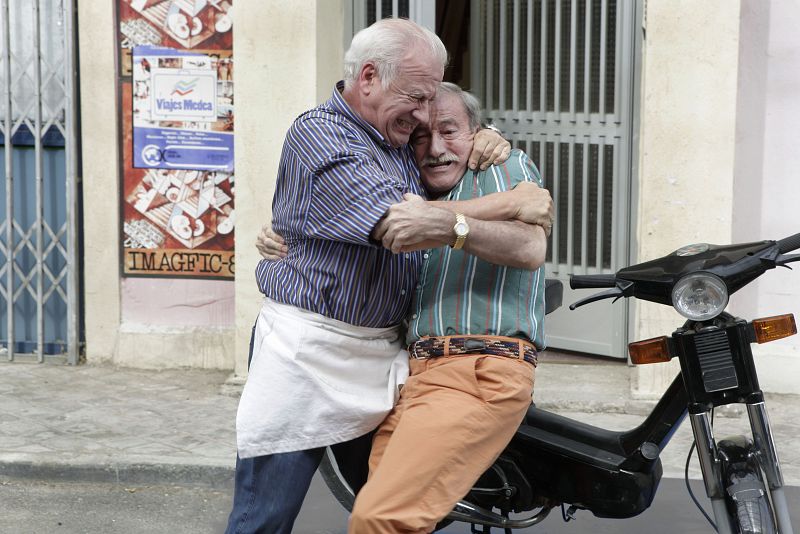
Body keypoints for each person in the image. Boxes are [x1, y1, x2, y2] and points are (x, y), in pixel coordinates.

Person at [225, 19, 550, 534]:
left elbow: (444, 150)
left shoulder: (401, 140)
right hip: (308, 352)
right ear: (369, 77)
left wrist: (485, 136)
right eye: (416, 99)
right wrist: (514, 202)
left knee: (388, 507)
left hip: (385, 358)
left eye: (431, 107)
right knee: (267, 513)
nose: (422, 119)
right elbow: (400, 225)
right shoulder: (321, 133)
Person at [347, 83, 549, 533]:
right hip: (414, 377)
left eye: (450, 131)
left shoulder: (498, 166)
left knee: (380, 518)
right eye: (420, 136)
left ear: (476, 133)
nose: (435, 148)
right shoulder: (408, 189)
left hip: (478, 367)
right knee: (386, 514)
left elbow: (529, 247)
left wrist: (449, 225)